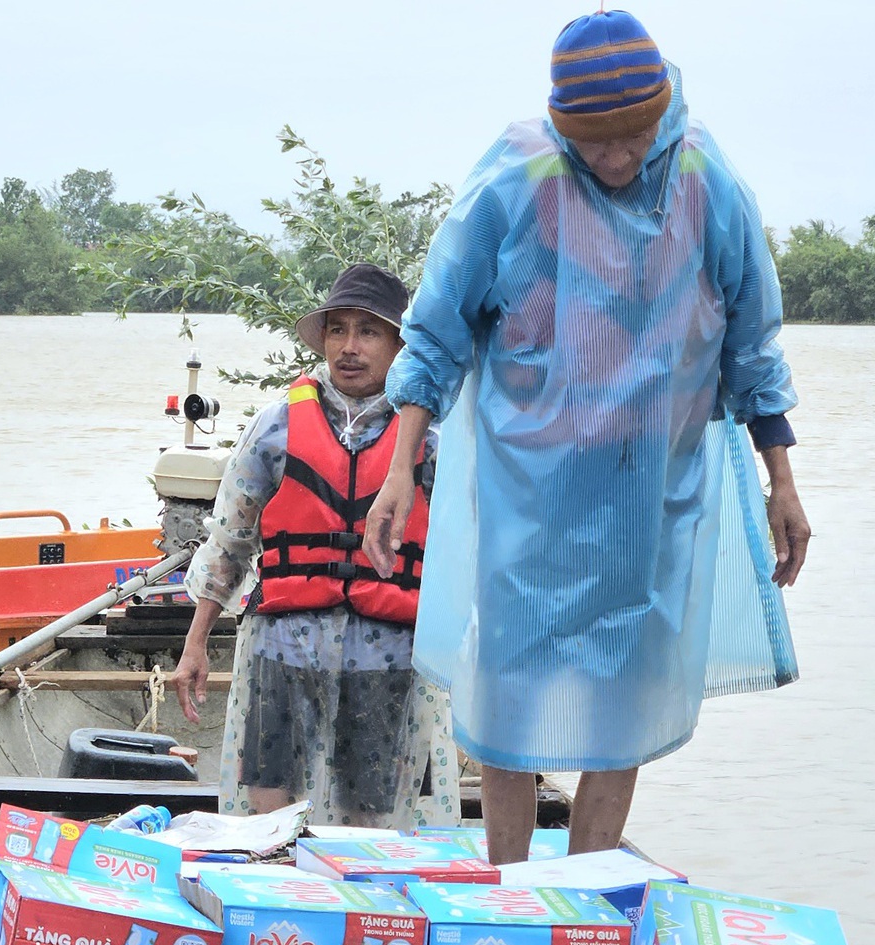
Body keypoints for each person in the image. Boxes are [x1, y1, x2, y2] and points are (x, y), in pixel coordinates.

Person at [365, 10, 809, 865]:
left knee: (627, 689)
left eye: (632, 138)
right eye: (594, 143)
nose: (614, 159)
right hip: (524, 487)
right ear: (563, 126)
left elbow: (753, 344)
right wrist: (397, 470)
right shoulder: (517, 178)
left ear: (662, 112)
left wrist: (780, 479)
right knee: (506, 683)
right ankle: (505, 879)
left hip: (651, 489)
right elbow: (436, 332)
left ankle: (590, 881)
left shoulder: (708, 183)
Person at [172, 263, 459, 830]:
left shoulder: (428, 440)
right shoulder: (275, 428)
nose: (349, 348)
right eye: (337, 330)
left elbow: (463, 560)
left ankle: (362, 915)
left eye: (369, 331)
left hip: (389, 657)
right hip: (283, 651)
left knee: (368, 821)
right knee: (267, 811)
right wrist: (195, 644)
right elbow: (229, 543)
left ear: (399, 346)